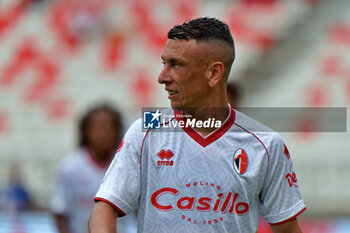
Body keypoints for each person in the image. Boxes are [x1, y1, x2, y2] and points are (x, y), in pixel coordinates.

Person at [89, 17, 305, 233]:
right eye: (164, 63)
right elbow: (105, 207)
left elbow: (288, 229)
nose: (162, 77)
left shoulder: (266, 144)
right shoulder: (146, 129)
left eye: (176, 65)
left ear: (214, 73)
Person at [50, 104, 136, 233]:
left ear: (118, 131)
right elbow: (59, 212)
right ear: (86, 131)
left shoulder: (127, 165)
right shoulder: (70, 167)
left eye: (109, 127)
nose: (103, 133)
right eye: (97, 127)